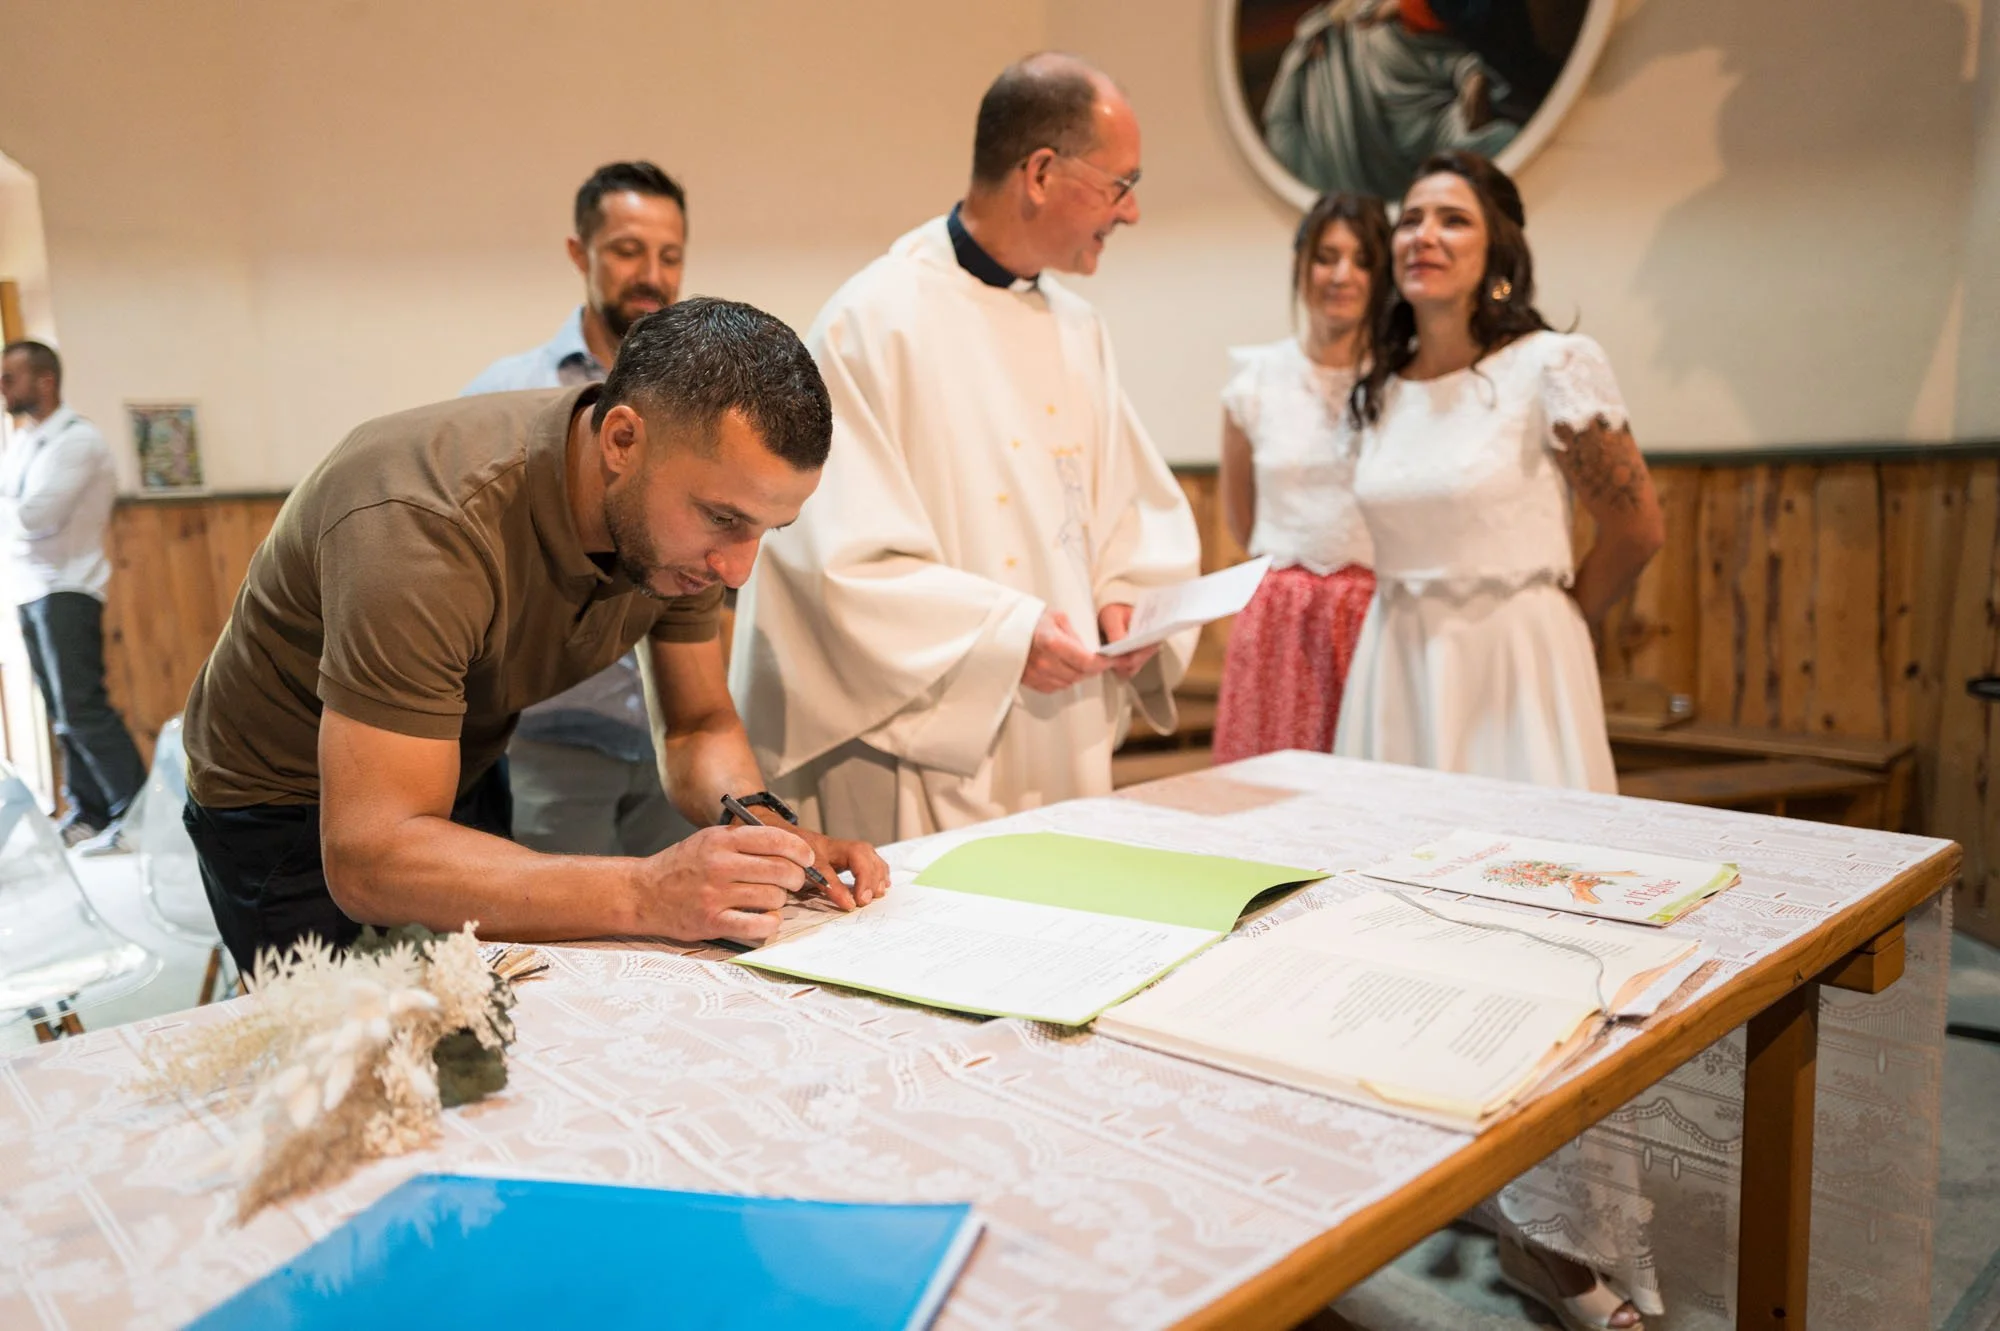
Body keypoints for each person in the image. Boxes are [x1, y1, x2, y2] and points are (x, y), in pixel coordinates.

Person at [180, 299, 889, 975]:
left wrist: (768, 835)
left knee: (497, 1031)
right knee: (359, 1063)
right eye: (723, 519)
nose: (737, 567)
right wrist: (647, 889)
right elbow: (371, 856)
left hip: (454, 759)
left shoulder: (671, 528)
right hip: (283, 801)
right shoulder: (424, 524)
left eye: (767, 529)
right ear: (621, 441)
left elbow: (698, 725)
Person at [1339, 151, 1664, 1328]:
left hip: (1515, 672)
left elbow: (1634, 523)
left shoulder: (1548, 367)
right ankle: (1455, 1184)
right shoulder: (1372, 387)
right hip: (1397, 670)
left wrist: (1555, 625)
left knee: (1545, 944)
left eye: (1452, 217)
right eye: (1409, 217)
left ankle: (1568, 1240)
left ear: (1496, 250)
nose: (1423, 233)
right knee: (1412, 938)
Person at [730, 52, 1201, 844]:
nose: (1130, 213)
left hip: (1060, 728)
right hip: (925, 744)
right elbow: (834, 565)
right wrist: (1004, 636)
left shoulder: (1080, 331)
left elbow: (1122, 515)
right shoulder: (874, 321)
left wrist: (1123, 595)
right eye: (1120, 185)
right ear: (1042, 172)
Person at [463, 161, 693, 858]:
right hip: (547, 742)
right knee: (564, 951)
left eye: (670, 255)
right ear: (579, 254)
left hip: (669, 737)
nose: (650, 273)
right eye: (627, 250)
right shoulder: (511, 394)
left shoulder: (697, 400)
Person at [1213, 192, 1388, 763]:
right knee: (1269, 786)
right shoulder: (1255, 382)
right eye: (1326, 256)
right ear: (1300, 265)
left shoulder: (1400, 383)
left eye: (1362, 261)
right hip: (1279, 621)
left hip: (1375, 615)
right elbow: (1241, 516)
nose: (1342, 275)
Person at [0, 340, 147, 847]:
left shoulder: (77, 441)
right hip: (28, 589)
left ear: (45, 381)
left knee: (83, 707)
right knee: (61, 714)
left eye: (9, 377)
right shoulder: (22, 442)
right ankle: (90, 813)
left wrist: (12, 510)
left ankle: (139, 815)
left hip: (68, 587)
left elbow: (35, 518)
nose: (2, 387)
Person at [1262, 0, 1519, 199]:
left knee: (1497, 142)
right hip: (1369, 136)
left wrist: (1470, 76)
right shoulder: (1335, 36)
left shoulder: (1393, 24)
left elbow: (1448, 57)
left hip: (1426, 118)